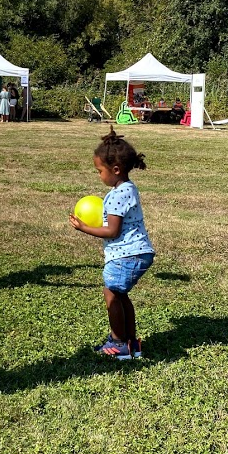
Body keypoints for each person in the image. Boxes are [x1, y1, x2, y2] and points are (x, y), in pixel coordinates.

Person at [68, 128, 154, 361]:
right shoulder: (128, 188)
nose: (99, 175)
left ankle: (118, 344)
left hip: (127, 254)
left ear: (115, 170)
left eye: (99, 171)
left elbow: (112, 230)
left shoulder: (117, 195)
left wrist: (83, 227)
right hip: (135, 253)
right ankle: (131, 342)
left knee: (112, 295)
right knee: (121, 295)